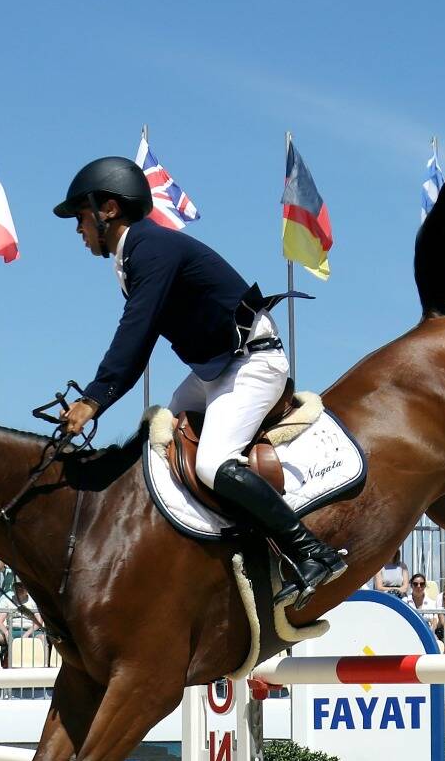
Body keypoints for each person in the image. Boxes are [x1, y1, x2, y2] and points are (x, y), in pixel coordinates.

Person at [50, 156, 344, 606]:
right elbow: (141, 337)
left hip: (252, 363)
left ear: (108, 208)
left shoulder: (150, 247)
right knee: (161, 438)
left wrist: (95, 397)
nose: (78, 229)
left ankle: (310, 551)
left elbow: (137, 331)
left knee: (211, 463)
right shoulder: (134, 254)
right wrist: (99, 395)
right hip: (217, 369)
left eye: (82, 216)